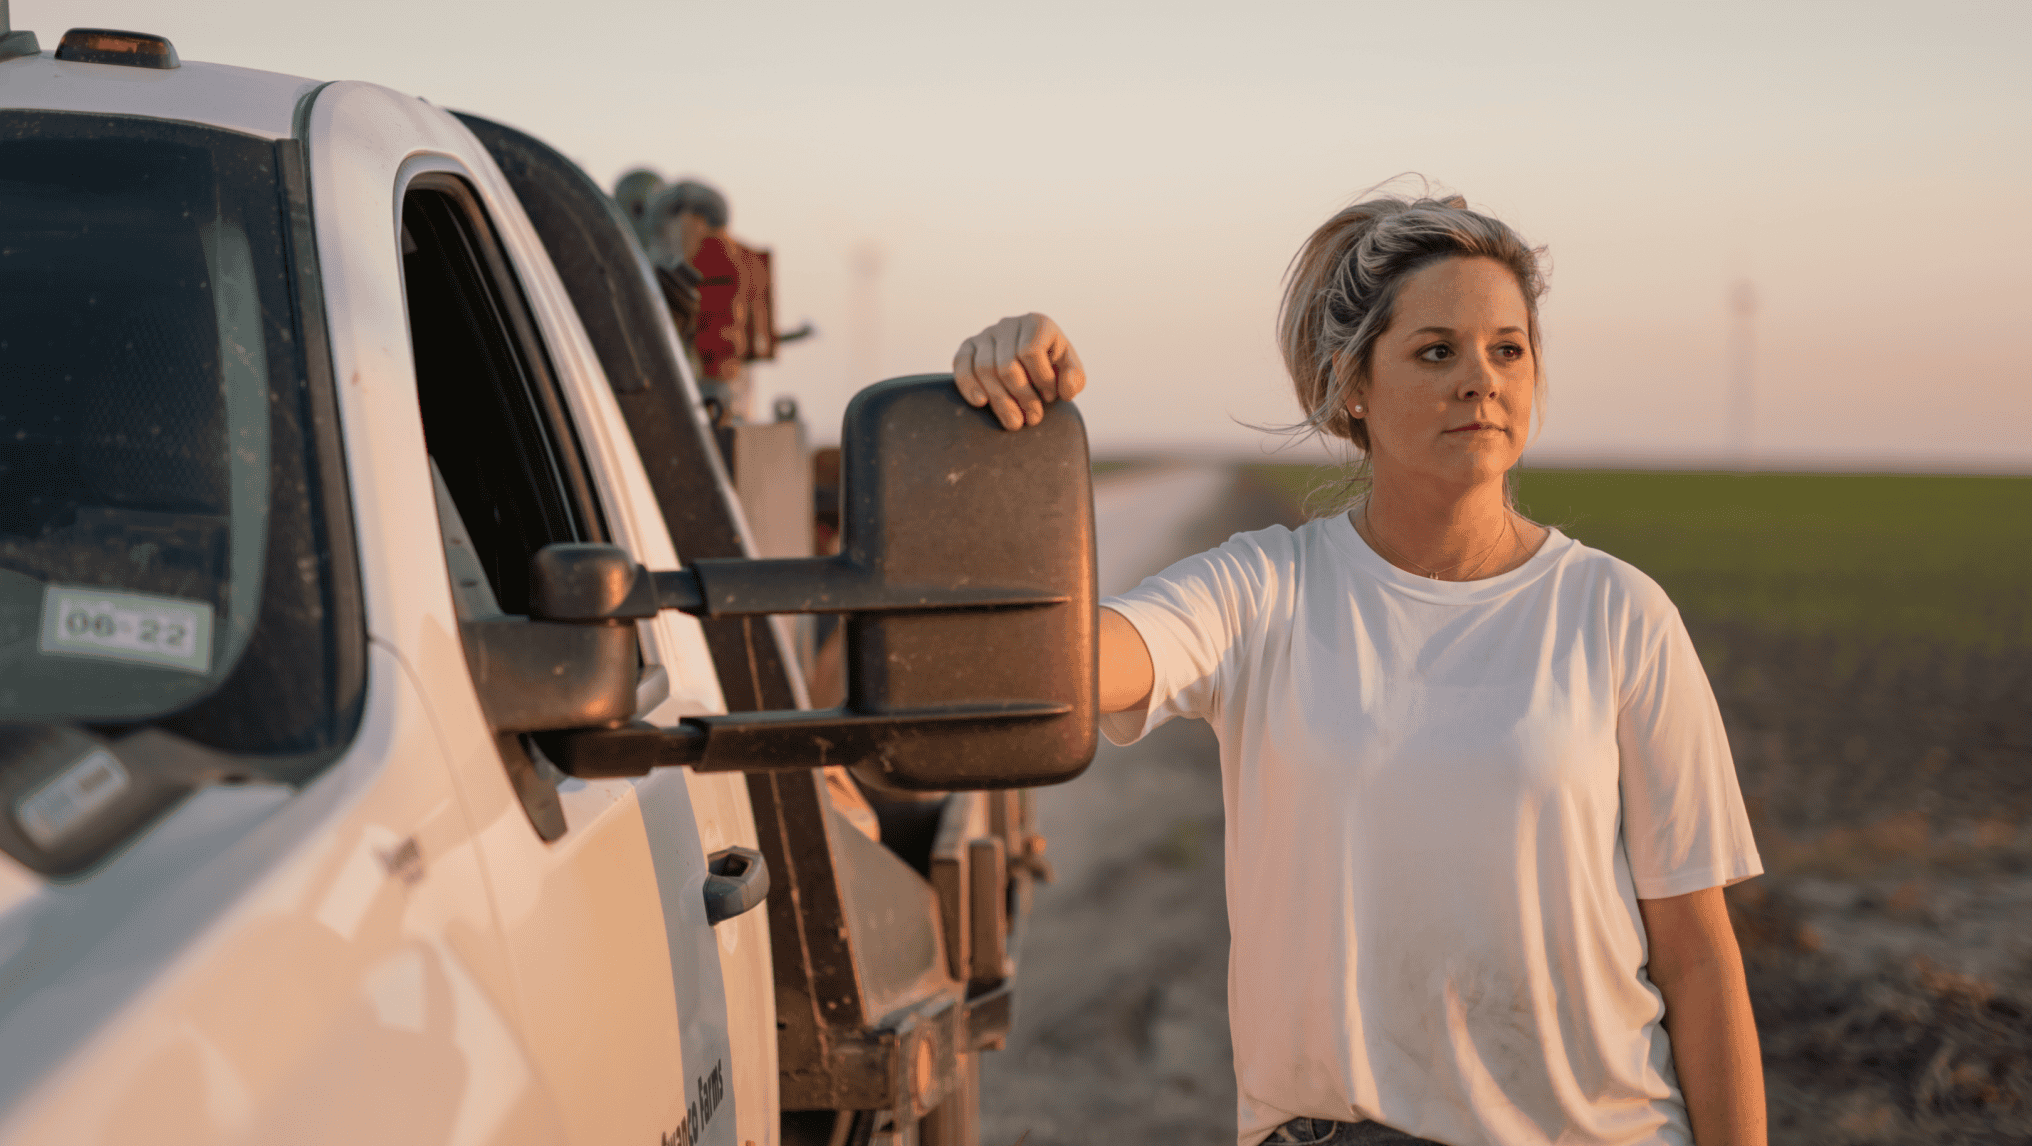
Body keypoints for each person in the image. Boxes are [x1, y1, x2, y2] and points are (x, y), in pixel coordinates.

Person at [950, 193, 1766, 1146]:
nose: (1481, 380)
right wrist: (1006, 445)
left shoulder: (1618, 612)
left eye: (1509, 348)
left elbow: (1699, 956)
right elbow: (1069, 663)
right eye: (1436, 351)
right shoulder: (1267, 592)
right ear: (1352, 387)